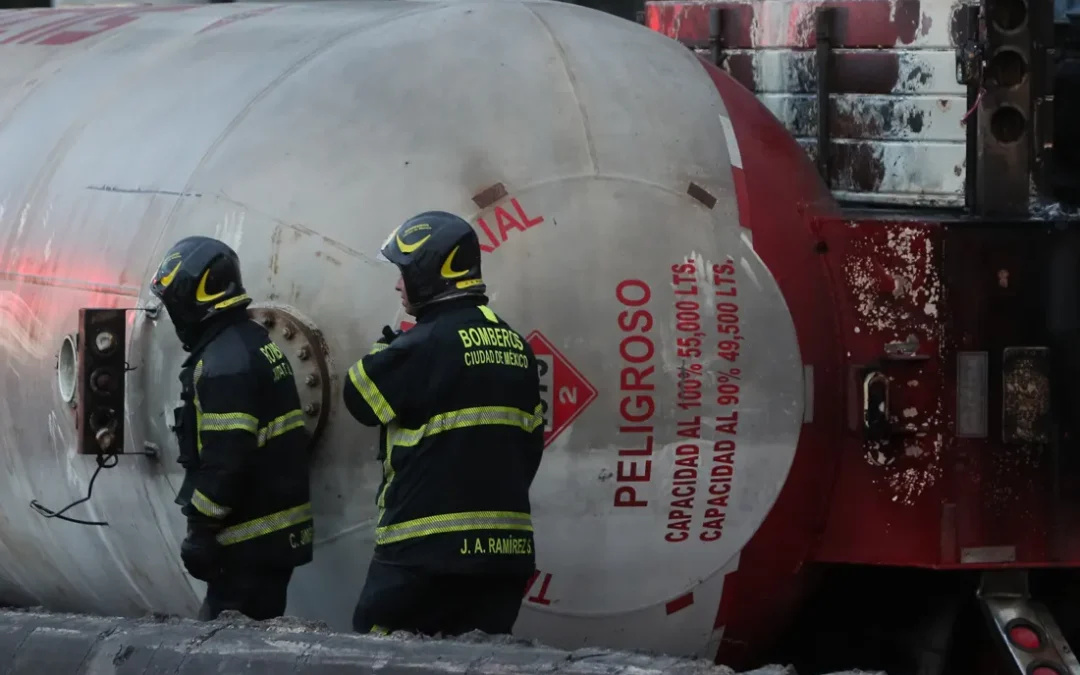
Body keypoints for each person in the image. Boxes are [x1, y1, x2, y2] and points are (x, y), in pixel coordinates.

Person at [343, 211, 545, 637]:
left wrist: (387, 350)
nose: (398, 284)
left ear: (430, 273)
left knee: (376, 659)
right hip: (504, 557)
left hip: (423, 554)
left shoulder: (425, 344)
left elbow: (358, 399)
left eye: (404, 271)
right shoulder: (517, 348)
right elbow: (530, 448)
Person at [149, 235, 314, 621]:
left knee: (218, 648)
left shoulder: (224, 364)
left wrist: (201, 529)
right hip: (270, 537)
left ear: (195, 302)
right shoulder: (252, 342)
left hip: (248, 543)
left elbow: (227, 460)